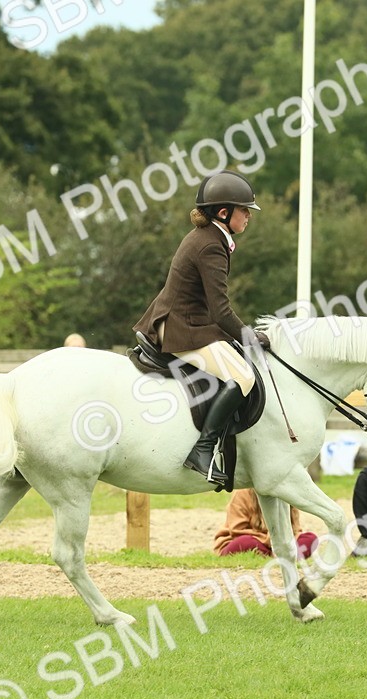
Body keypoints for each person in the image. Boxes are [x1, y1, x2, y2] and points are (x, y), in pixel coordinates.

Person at [133, 169, 269, 487]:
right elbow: (222, 312)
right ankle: (203, 449)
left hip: (184, 321)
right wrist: (249, 336)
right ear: (224, 212)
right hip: (183, 329)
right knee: (243, 376)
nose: (248, 215)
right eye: (244, 210)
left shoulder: (209, 237)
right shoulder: (210, 246)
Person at [213, 488, 318, 559]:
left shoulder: (286, 492)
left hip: (280, 543)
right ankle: (282, 558)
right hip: (249, 540)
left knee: (310, 539)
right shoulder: (242, 492)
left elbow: (295, 530)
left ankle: (279, 557)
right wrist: (270, 541)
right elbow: (237, 531)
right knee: (246, 542)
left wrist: (283, 544)